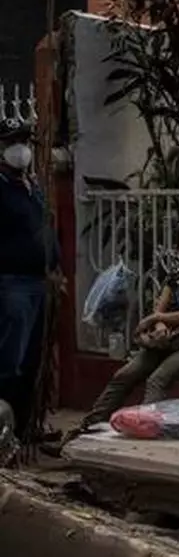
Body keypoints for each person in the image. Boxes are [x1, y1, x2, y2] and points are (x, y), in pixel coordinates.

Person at [67, 221, 179, 437]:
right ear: (178, 248)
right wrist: (160, 327)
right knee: (124, 375)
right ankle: (88, 426)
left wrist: (156, 318)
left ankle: (146, 430)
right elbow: (161, 309)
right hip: (174, 337)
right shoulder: (175, 276)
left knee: (158, 378)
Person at [0, 117, 58, 441]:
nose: (19, 149)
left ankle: (23, 430)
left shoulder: (31, 186)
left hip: (38, 282)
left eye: (23, 142)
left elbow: (45, 229)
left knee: (31, 360)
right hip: (12, 283)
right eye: (12, 142)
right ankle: (5, 431)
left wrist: (55, 266)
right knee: (10, 361)